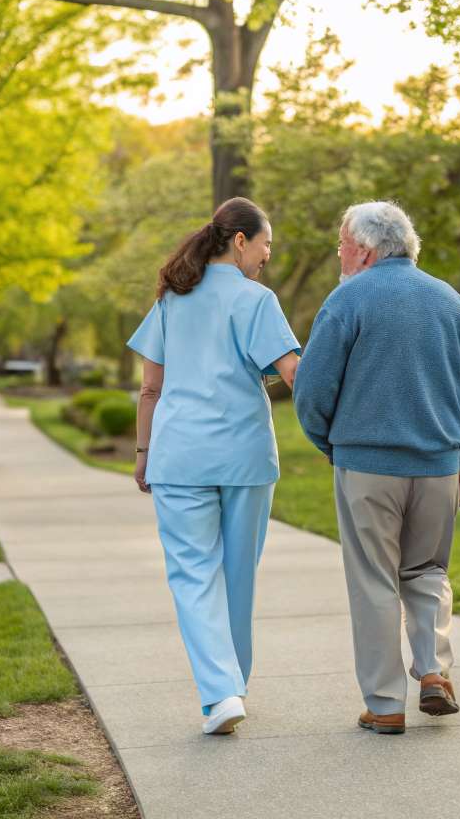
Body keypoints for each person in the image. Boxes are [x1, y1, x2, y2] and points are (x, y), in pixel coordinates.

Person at [293, 201, 460, 734]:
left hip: (366, 466)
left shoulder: (347, 300)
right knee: (428, 572)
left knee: (375, 582)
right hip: (438, 469)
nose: (339, 254)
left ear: (363, 249)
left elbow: (312, 391)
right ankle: (433, 672)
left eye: (341, 244)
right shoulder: (452, 302)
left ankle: (385, 705)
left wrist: (330, 443)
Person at [127, 197, 301, 735]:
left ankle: (221, 692)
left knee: (193, 575)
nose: (270, 253)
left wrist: (144, 453)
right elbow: (295, 373)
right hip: (245, 457)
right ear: (242, 241)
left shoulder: (171, 300)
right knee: (238, 575)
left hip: (179, 456)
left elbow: (151, 387)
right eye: (267, 242)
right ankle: (233, 686)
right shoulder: (258, 301)